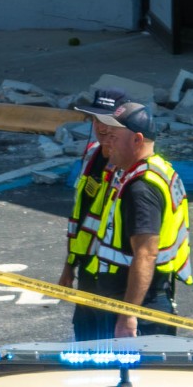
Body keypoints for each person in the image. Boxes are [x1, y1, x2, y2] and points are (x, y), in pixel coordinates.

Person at [72, 99, 191, 340]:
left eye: (114, 136)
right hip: (137, 299)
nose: (107, 142)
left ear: (137, 139)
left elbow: (146, 254)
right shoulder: (151, 171)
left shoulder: (141, 188)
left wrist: (128, 314)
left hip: (137, 306)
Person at [57, 88, 123, 341]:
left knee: (110, 344)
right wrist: (68, 267)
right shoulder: (92, 155)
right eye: (97, 120)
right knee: (84, 338)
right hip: (88, 270)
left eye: (109, 121)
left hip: (114, 276)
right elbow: (80, 218)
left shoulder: (129, 164)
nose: (103, 128)